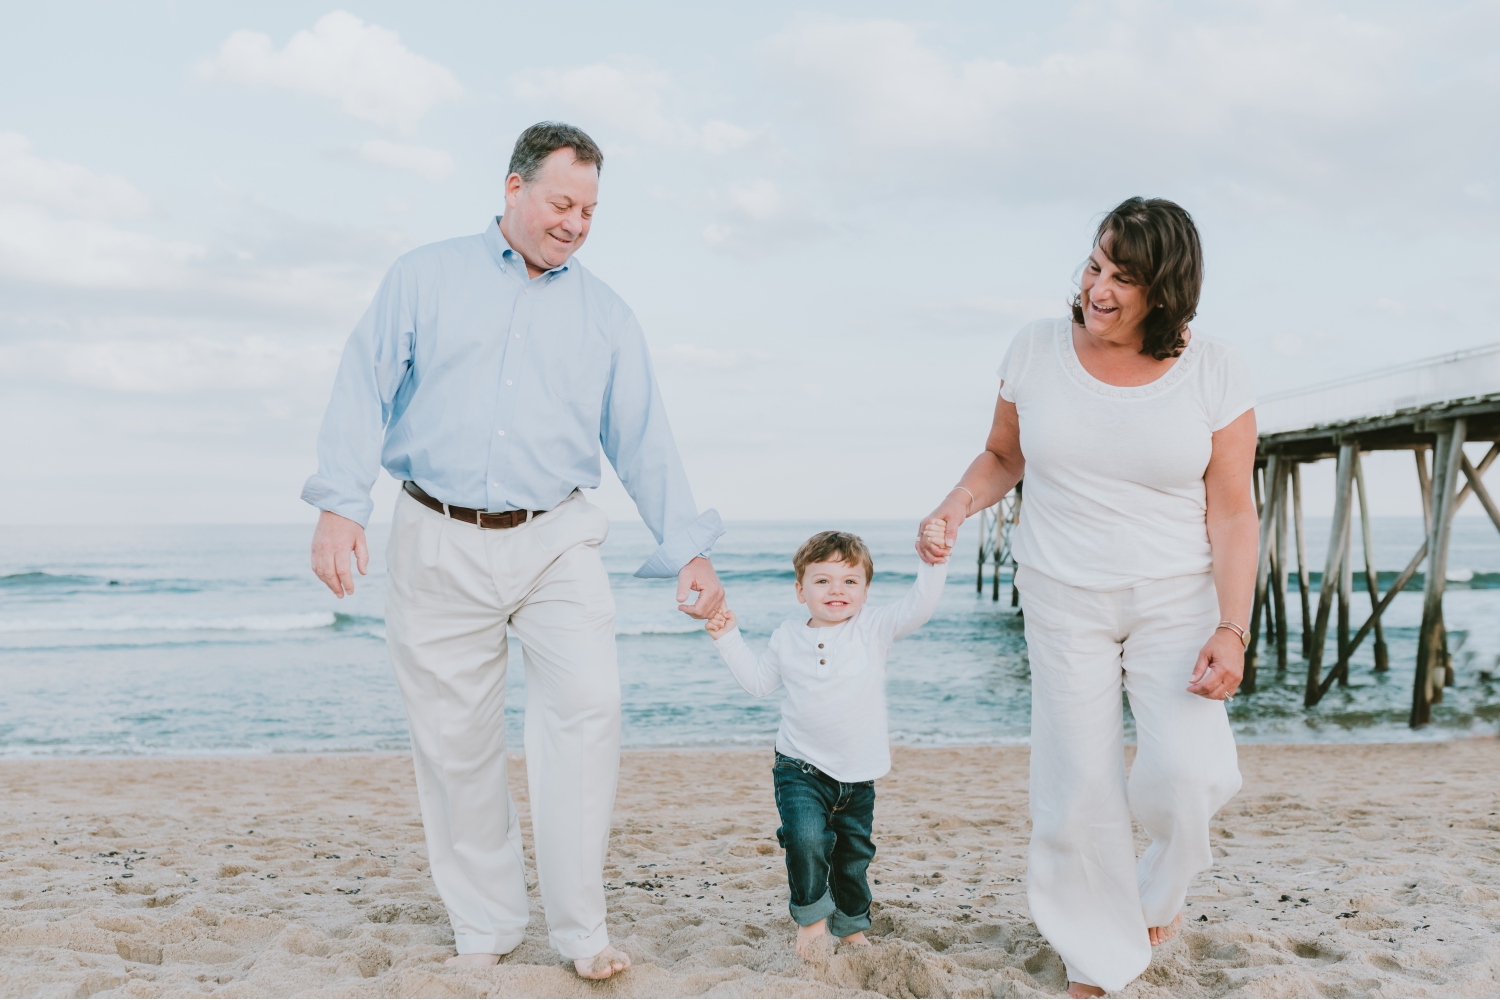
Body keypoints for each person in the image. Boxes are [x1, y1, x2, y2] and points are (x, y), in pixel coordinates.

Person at [302, 122, 726, 981]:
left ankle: (581, 932)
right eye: (562, 202)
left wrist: (689, 549)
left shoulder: (606, 314)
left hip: (558, 537)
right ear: (512, 188)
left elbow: (642, 438)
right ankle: (487, 925)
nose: (576, 222)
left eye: (590, 209)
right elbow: (363, 382)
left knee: (588, 708)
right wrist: (341, 505)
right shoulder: (424, 276)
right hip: (435, 532)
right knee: (454, 741)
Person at [918, 198, 1257, 997]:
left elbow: (1235, 509)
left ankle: (1158, 894)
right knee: (1077, 789)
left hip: (1176, 598)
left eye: (1124, 278)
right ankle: (1097, 959)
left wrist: (1233, 627)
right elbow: (1004, 455)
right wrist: (955, 505)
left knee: (1189, 774)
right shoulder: (1035, 348)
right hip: (1061, 593)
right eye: (1095, 264)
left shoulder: (1214, 368)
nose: (1098, 289)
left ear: (1165, 291)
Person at [704, 524, 949, 957]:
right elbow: (759, 683)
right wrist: (727, 637)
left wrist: (933, 563)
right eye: (823, 580)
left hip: (859, 775)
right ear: (801, 591)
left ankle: (851, 925)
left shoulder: (873, 628)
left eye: (850, 581)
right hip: (799, 766)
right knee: (806, 841)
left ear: (866, 590)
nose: (837, 590)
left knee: (853, 859)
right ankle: (813, 922)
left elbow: (919, 607)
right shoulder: (787, 636)